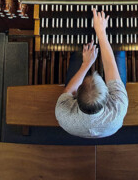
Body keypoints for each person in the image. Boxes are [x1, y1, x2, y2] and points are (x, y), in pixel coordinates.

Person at [55, 8, 128, 138]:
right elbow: (110, 67)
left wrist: (86, 64)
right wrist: (101, 33)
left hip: (77, 126)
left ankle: (82, 43)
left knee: (78, 51)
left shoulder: (62, 112)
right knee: (119, 50)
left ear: (76, 96)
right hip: (109, 126)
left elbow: (69, 90)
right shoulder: (118, 107)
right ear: (108, 95)